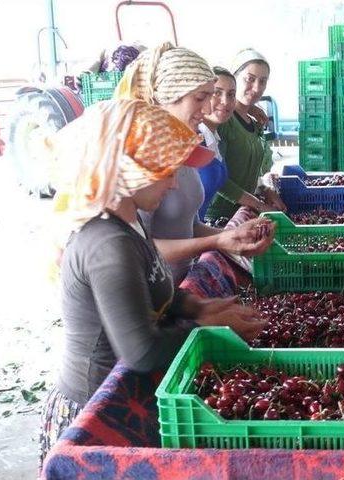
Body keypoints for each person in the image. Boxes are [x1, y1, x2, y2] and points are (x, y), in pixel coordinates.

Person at [40, 100, 267, 467]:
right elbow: (141, 351)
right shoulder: (107, 245)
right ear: (130, 170)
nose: (175, 182)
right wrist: (204, 329)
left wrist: (194, 306)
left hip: (125, 396)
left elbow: (149, 286)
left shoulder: (129, 223)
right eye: (167, 171)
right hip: (95, 415)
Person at [115, 43, 275, 285]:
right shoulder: (141, 158)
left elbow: (187, 224)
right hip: (146, 291)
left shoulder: (185, 147)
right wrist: (216, 242)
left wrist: (232, 236)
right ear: (168, 96)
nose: (209, 107)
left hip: (177, 286)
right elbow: (137, 248)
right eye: (201, 98)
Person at [206, 48, 286, 222]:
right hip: (218, 217)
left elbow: (251, 172)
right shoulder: (222, 121)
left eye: (263, 81)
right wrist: (258, 204)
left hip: (243, 215)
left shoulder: (255, 121)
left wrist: (265, 189)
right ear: (234, 77)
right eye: (250, 79)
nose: (257, 88)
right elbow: (218, 179)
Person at [197, 67, 235, 222]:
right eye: (216, 93)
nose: (225, 101)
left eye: (231, 95)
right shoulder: (195, 140)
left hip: (195, 232)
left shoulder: (215, 139)